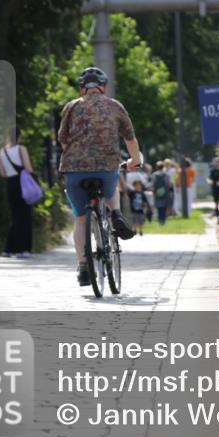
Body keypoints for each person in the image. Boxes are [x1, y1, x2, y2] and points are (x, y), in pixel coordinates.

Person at [58, 67, 141, 288]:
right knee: (112, 179)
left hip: (75, 170)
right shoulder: (115, 106)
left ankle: (84, 268)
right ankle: (116, 214)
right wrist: (136, 161)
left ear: (82, 88)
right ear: (103, 87)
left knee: (80, 218)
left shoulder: (72, 106)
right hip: (106, 168)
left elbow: (63, 140)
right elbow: (130, 140)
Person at [0, 126, 34, 259]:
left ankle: (8, 249)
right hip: (23, 184)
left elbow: (2, 173)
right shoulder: (21, 149)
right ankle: (23, 249)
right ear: (19, 136)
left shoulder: (2, 151)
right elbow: (28, 168)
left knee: (15, 217)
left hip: (10, 184)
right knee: (25, 216)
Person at [151, 161, 173, 226]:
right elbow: (169, 184)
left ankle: (160, 221)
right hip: (165, 193)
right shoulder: (166, 175)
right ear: (163, 167)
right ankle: (163, 221)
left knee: (159, 208)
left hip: (157, 193)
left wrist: (154, 191)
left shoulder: (154, 174)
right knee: (164, 208)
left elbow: (153, 184)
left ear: (156, 167)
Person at [208, 158, 219, 223]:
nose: (217, 163)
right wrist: (210, 182)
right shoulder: (213, 171)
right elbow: (209, 179)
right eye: (216, 162)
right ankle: (217, 213)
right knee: (216, 203)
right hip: (215, 188)